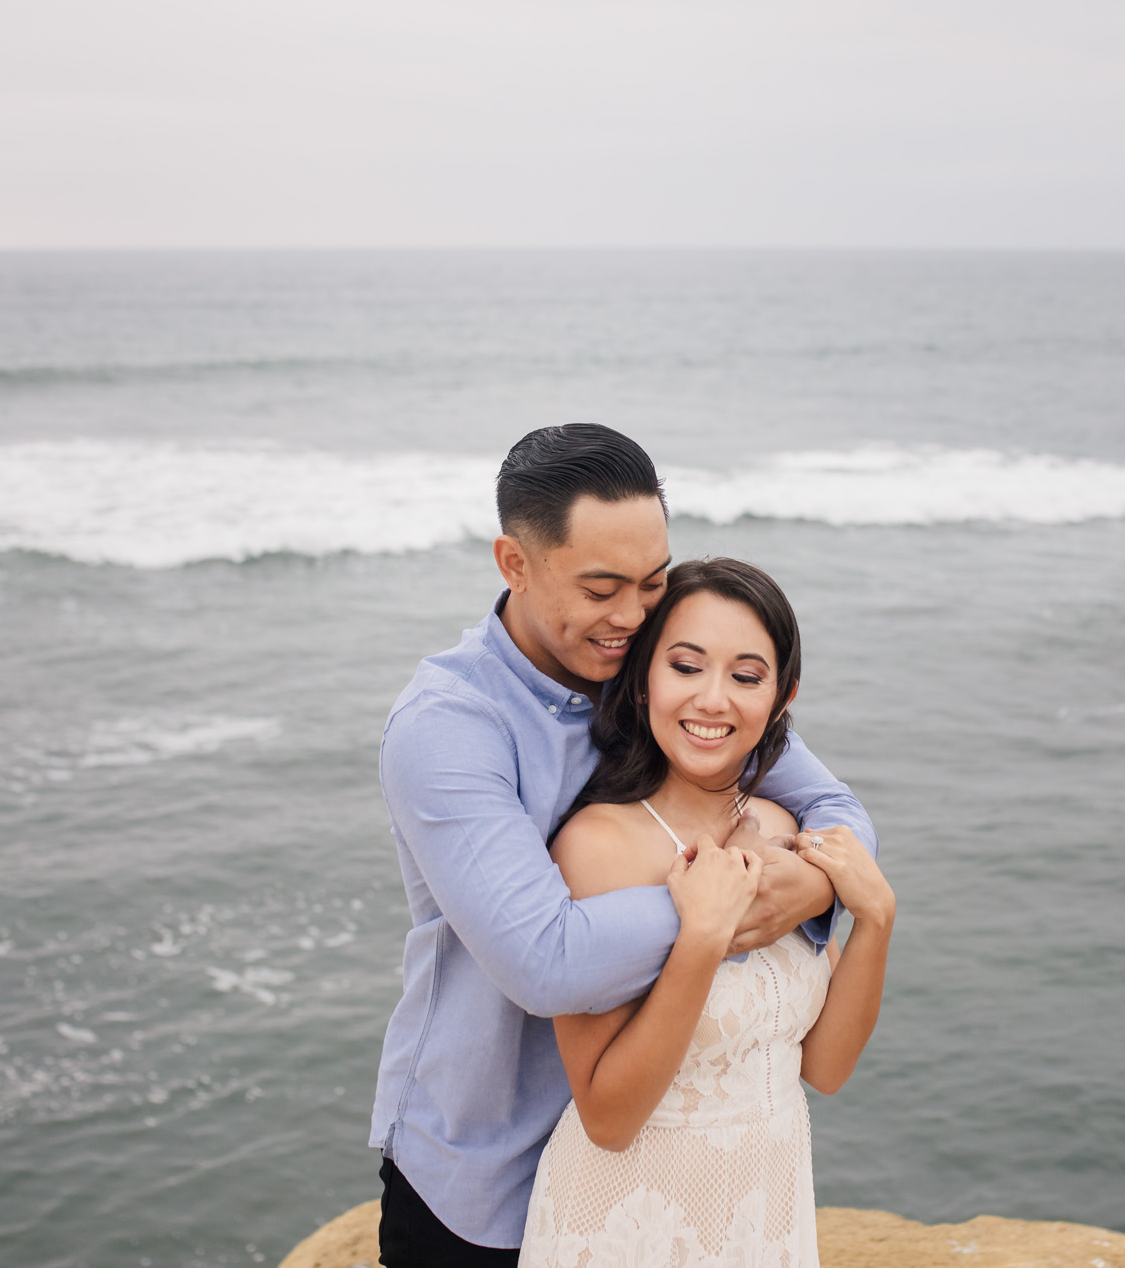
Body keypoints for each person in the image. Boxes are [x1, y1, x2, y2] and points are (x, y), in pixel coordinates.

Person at [372, 425, 879, 1267]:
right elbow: (547, 962)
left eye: (652, 581)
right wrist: (724, 899)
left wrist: (819, 884)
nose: (633, 615)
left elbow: (836, 807)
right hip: (486, 1171)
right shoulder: (448, 729)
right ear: (515, 563)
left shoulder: (658, 672)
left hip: (660, 1172)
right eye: (603, 587)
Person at [519, 558, 895, 1268]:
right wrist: (700, 936)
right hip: (626, 1221)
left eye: (746, 676)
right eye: (686, 666)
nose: (712, 699)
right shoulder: (597, 845)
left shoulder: (786, 831)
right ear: (643, 680)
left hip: (764, 1212)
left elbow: (827, 1065)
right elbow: (607, 1116)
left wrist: (875, 919)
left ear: (782, 696)